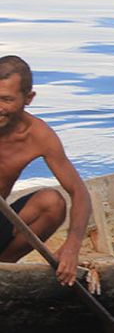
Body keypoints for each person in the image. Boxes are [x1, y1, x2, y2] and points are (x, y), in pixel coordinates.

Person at [0, 55, 92, 286]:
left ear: (28, 98)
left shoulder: (39, 135)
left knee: (52, 202)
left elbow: (80, 194)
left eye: (6, 99)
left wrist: (72, 246)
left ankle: (4, 266)